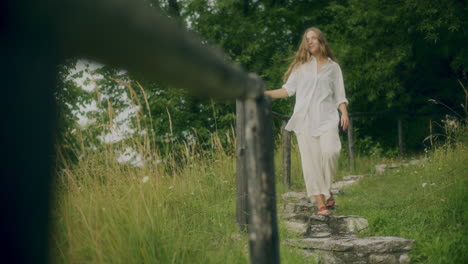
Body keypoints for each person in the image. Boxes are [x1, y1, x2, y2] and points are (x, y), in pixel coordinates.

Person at [265, 27, 349, 216]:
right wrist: (265, 94)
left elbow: (340, 95)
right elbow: (287, 90)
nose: (309, 42)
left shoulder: (333, 67)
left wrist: (344, 113)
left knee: (331, 151)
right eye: (307, 39)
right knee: (310, 163)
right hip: (304, 121)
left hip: (327, 118)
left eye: (313, 38)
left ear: (321, 41)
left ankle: (327, 190)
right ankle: (321, 203)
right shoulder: (301, 67)